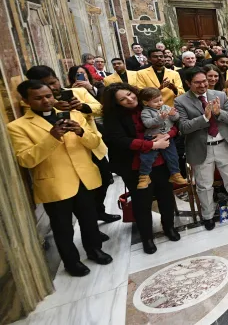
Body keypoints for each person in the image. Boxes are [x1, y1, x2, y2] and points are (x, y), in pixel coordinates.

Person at [9, 80, 112, 277]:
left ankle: (95, 250)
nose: (46, 101)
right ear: (26, 100)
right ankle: (71, 262)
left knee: (89, 220)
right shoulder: (18, 127)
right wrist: (52, 137)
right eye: (38, 98)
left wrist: (81, 132)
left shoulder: (73, 115)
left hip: (84, 178)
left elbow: (95, 141)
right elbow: (26, 159)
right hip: (54, 183)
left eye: (48, 96)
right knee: (63, 228)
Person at [26, 65, 118, 225]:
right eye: (44, 84)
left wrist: (81, 106)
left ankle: (99, 211)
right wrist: (52, 106)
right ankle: (92, 221)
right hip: (64, 156)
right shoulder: (34, 103)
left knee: (104, 180)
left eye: (53, 82)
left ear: (57, 78)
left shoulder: (77, 92)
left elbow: (100, 108)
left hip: (91, 145)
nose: (51, 87)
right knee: (84, 192)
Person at [102, 83, 181, 254]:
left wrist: (168, 134)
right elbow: (119, 140)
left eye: (130, 94)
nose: (130, 99)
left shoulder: (149, 105)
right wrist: (151, 144)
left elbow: (173, 125)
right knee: (141, 202)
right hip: (134, 165)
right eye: (123, 99)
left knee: (166, 196)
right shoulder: (113, 117)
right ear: (116, 103)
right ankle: (147, 237)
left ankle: (169, 227)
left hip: (161, 161)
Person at [174, 68, 228, 228]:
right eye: (197, 82)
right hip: (201, 149)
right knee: (204, 185)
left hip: (224, 145)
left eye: (204, 81)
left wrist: (218, 112)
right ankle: (208, 216)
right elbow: (184, 127)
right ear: (188, 83)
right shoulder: (181, 101)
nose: (203, 85)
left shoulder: (220, 95)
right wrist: (204, 118)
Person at [138, 87, 188, 188]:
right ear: (146, 102)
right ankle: (144, 176)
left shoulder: (165, 107)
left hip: (166, 137)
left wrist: (173, 115)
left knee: (173, 156)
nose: (160, 103)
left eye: (160, 100)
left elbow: (176, 118)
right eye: (155, 102)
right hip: (152, 138)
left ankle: (175, 174)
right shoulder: (146, 112)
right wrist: (159, 118)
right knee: (147, 158)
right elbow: (147, 124)